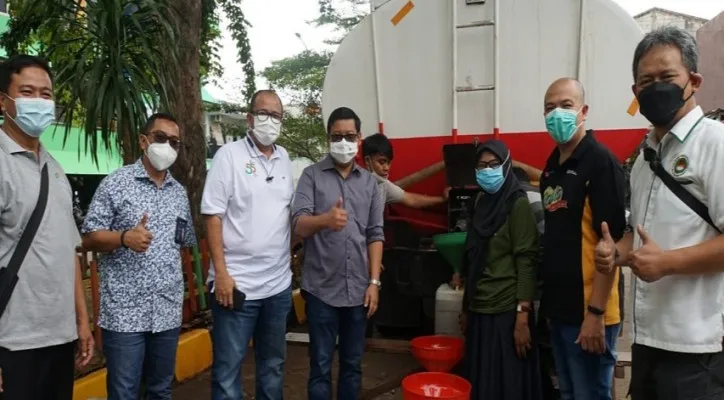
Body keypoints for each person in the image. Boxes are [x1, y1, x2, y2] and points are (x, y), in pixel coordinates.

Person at [595, 26, 724, 400]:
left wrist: (667, 263)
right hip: (648, 341)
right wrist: (615, 253)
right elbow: (641, 232)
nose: (656, 88)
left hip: (699, 349)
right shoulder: (645, 157)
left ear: (693, 80)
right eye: (645, 81)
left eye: (667, 77)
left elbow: (662, 256)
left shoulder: (714, 144)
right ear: (635, 93)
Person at [82, 113, 196, 400]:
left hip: (167, 311)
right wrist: (123, 238)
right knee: (124, 393)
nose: (167, 146)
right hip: (125, 314)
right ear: (144, 141)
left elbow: (183, 243)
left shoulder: (179, 193)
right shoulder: (116, 183)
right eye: (161, 138)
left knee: (161, 390)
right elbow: (87, 238)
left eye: (174, 141)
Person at [0, 54, 93, 400]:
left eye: (46, 94)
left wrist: (81, 323)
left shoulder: (54, 168)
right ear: (3, 101)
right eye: (27, 92)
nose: (38, 101)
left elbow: (68, 251)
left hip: (59, 335)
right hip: (13, 341)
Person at [201, 90, 293, 400]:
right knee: (228, 372)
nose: (270, 121)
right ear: (250, 118)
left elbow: (285, 214)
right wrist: (222, 274)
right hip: (237, 286)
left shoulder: (284, 159)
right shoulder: (229, 157)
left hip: (277, 288)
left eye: (276, 115)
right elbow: (212, 216)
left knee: (273, 366)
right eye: (264, 114)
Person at [539, 78, 626, 400]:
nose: (556, 114)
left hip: (591, 311)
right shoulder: (552, 167)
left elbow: (613, 244)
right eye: (549, 108)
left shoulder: (600, 162)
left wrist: (596, 314)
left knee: (590, 394)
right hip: (561, 308)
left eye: (566, 105)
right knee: (570, 392)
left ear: (583, 111)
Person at [292, 107, 384, 400]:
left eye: (348, 136)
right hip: (321, 290)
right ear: (327, 138)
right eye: (336, 136)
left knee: (352, 365)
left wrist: (374, 283)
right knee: (319, 365)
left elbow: (375, 234)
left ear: (359, 138)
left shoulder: (371, 183)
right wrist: (325, 220)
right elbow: (298, 224)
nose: (343, 142)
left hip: (358, 290)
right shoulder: (311, 176)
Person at [461, 140, 541, 399]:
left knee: (507, 386)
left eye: (494, 164)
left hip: (506, 312)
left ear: (506, 166)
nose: (487, 170)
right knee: (482, 384)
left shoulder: (516, 204)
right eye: (482, 166)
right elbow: (472, 259)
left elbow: (526, 260)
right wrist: (465, 307)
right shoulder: (479, 204)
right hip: (480, 310)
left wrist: (522, 318)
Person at [362, 133, 448, 207]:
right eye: (381, 162)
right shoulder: (354, 186)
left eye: (388, 163)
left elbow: (411, 199)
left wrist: (443, 199)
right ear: (367, 160)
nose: (386, 168)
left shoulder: (383, 185)